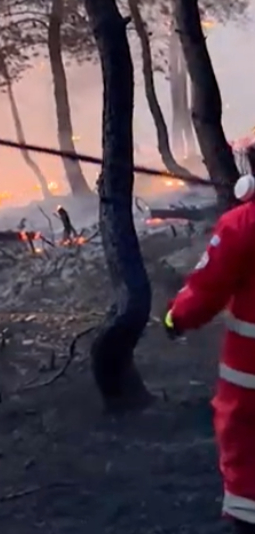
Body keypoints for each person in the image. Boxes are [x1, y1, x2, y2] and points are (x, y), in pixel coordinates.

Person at [163, 171, 255, 534]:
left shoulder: (242, 224)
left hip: (249, 377)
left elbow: (206, 289)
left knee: (244, 442)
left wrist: (175, 319)